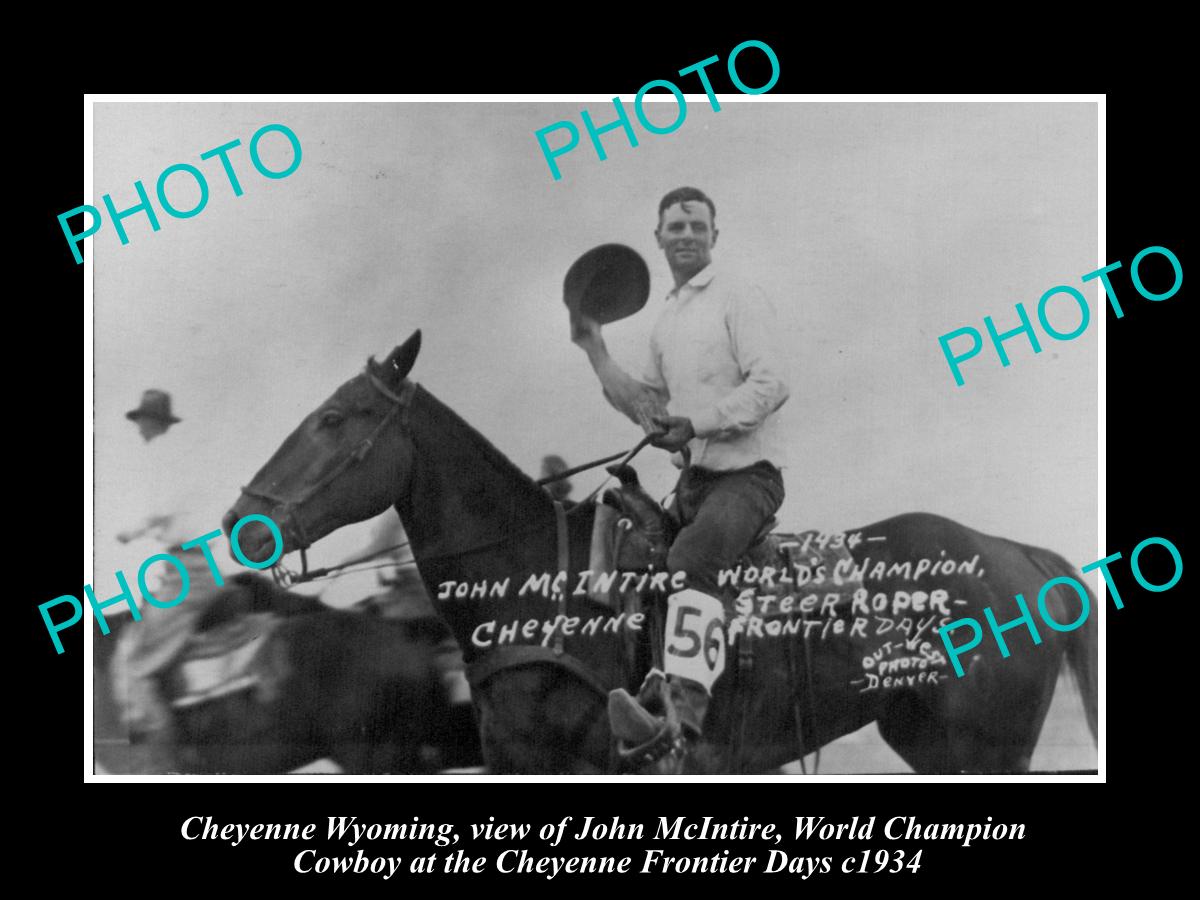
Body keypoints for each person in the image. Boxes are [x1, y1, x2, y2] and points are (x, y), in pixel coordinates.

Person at [571, 186, 790, 761]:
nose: (686, 235)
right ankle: (644, 686)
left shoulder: (737, 297)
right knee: (633, 563)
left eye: (697, 226)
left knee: (690, 561)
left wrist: (695, 424)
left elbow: (772, 385)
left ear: (715, 236)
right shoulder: (667, 318)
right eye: (676, 227)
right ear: (659, 239)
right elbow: (649, 407)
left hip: (749, 478)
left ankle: (679, 723)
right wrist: (593, 347)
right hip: (694, 484)